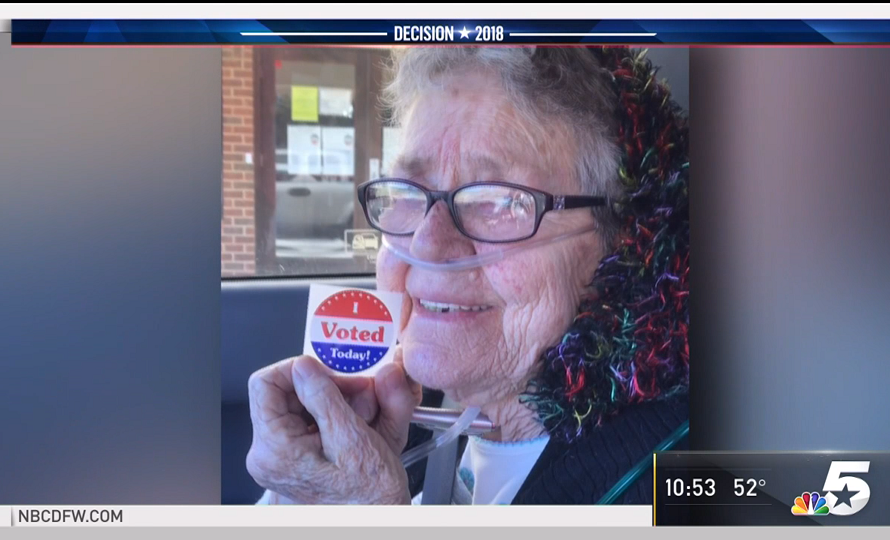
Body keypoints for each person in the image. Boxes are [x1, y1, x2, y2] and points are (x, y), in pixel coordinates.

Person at [246, 46, 690, 505]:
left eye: (498, 200)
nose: (427, 243)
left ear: (624, 242)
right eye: (408, 192)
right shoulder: (412, 407)